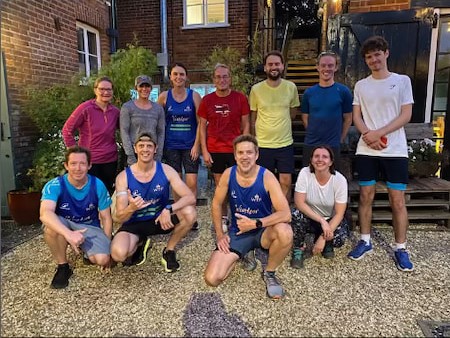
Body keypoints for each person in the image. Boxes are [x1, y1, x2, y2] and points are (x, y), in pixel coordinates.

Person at [348, 36, 414, 272]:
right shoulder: (361, 85)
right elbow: (356, 116)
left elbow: (406, 115)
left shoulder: (402, 81)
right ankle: (365, 240)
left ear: (386, 54)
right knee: (366, 195)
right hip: (367, 149)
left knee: (397, 200)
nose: (373, 59)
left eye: (377, 54)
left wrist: (379, 133)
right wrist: (368, 134)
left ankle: (400, 247)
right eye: (368, 56)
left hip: (394, 150)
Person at [204, 135, 293, 300]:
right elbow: (216, 204)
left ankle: (270, 273)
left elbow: (285, 214)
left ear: (257, 155)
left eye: (249, 152)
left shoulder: (267, 177)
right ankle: (243, 252)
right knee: (212, 278)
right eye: (241, 153)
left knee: (285, 231)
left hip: (263, 230)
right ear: (235, 155)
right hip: (239, 231)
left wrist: (257, 223)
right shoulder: (228, 174)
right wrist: (220, 235)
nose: (245, 157)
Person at [111, 133, 197, 271]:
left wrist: (169, 208)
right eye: (141, 146)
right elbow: (119, 217)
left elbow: (190, 197)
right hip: (135, 223)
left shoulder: (166, 170)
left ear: (155, 149)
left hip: (160, 219)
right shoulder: (123, 177)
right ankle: (140, 242)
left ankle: (169, 250)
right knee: (118, 254)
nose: (145, 149)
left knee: (190, 213)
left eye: (149, 146)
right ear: (135, 148)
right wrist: (131, 208)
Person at [40, 146, 113, 289]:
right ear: (66, 165)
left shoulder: (98, 185)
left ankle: (86, 250)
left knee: (102, 259)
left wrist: (107, 244)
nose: (78, 168)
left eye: (82, 163)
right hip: (64, 224)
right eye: (73, 163)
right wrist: (68, 234)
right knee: (51, 228)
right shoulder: (55, 185)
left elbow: (106, 218)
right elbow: (45, 213)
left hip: (88, 226)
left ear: (89, 165)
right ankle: (63, 266)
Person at [198, 63, 250, 229]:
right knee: (221, 186)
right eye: (219, 77)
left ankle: (241, 216)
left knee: (240, 184)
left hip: (236, 150)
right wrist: (204, 151)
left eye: (225, 76)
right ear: (214, 80)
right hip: (215, 149)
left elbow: (246, 124)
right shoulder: (207, 100)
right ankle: (224, 217)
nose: (222, 80)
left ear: (230, 79)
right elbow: (202, 127)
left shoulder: (240, 98)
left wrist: (245, 148)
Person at [249, 50, 300, 200]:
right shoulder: (256, 89)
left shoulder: (291, 87)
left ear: (283, 66)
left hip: (285, 143)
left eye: (277, 64)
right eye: (270, 64)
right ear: (265, 67)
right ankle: (266, 215)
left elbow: (293, 112)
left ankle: (283, 215)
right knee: (264, 182)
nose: (274, 67)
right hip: (263, 144)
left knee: (286, 181)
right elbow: (253, 117)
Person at [157, 63, 202, 229]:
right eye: (175, 74)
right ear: (170, 76)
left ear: (186, 77)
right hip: (171, 146)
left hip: (190, 145)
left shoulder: (194, 96)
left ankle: (191, 216)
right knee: (176, 183)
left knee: (191, 183)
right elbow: (157, 120)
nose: (178, 77)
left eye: (181, 74)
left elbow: (201, 123)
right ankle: (178, 215)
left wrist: (197, 145)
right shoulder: (163, 97)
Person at [290, 145, 349, 269]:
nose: (320, 159)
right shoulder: (305, 173)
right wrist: (321, 221)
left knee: (339, 239)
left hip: (330, 219)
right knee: (295, 214)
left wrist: (323, 237)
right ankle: (298, 248)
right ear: (311, 160)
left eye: (325, 157)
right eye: (316, 156)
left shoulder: (339, 180)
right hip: (311, 217)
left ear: (331, 162)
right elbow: (299, 202)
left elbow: (339, 213)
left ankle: (326, 241)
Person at [62, 76, 120, 194]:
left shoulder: (115, 112)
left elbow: (125, 129)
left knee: (106, 194)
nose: (105, 92)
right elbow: (67, 130)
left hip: (110, 160)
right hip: (90, 161)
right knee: (89, 194)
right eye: (102, 89)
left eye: (109, 89)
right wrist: (75, 154)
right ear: (95, 90)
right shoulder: (85, 108)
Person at [301, 51, 353, 169]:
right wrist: (312, 132)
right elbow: (305, 117)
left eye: (330, 65)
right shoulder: (309, 93)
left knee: (332, 178)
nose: (326, 69)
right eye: (323, 65)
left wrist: (340, 138)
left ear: (336, 67)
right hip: (311, 143)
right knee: (309, 178)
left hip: (333, 144)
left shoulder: (344, 92)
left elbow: (348, 118)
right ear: (317, 67)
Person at [120, 75, 165, 165]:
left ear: (151, 88)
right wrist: (130, 155)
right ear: (136, 88)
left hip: (152, 153)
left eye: (147, 86)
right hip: (134, 153)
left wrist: (158, 155)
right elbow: (124, 131)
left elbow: (161, 132)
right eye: (141, 86)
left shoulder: (158, 109)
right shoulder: (127, 107)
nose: (144, 89)